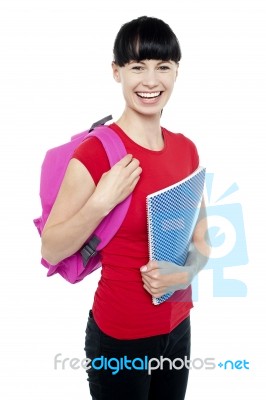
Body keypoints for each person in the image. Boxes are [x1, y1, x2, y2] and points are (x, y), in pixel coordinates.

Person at [41, 16, 210, 400]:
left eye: (162, 66)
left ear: (176, 71)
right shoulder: (96, 153)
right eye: (137, 67)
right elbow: (50, 249)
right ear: (116, 72)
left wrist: (186, 274)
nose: (151, 81)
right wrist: (101, 201)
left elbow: (202, 238)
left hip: (178, 326)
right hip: (119, 338)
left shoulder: (186, 149)